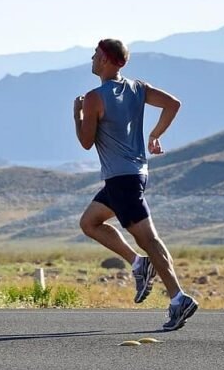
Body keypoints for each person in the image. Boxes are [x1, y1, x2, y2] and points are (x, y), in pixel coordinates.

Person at [73, 38, 198, 331]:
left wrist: (76, 115)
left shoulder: (93, 98)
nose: (91, 59)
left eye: (94, 55)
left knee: (150, 240)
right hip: (134, 175)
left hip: (121, 180)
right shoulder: (138, 88)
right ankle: (138, 264)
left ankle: (179, 298)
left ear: (104, 59)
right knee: (89, 223)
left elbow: (86, 142)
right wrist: (155, 134)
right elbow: (173, 104)